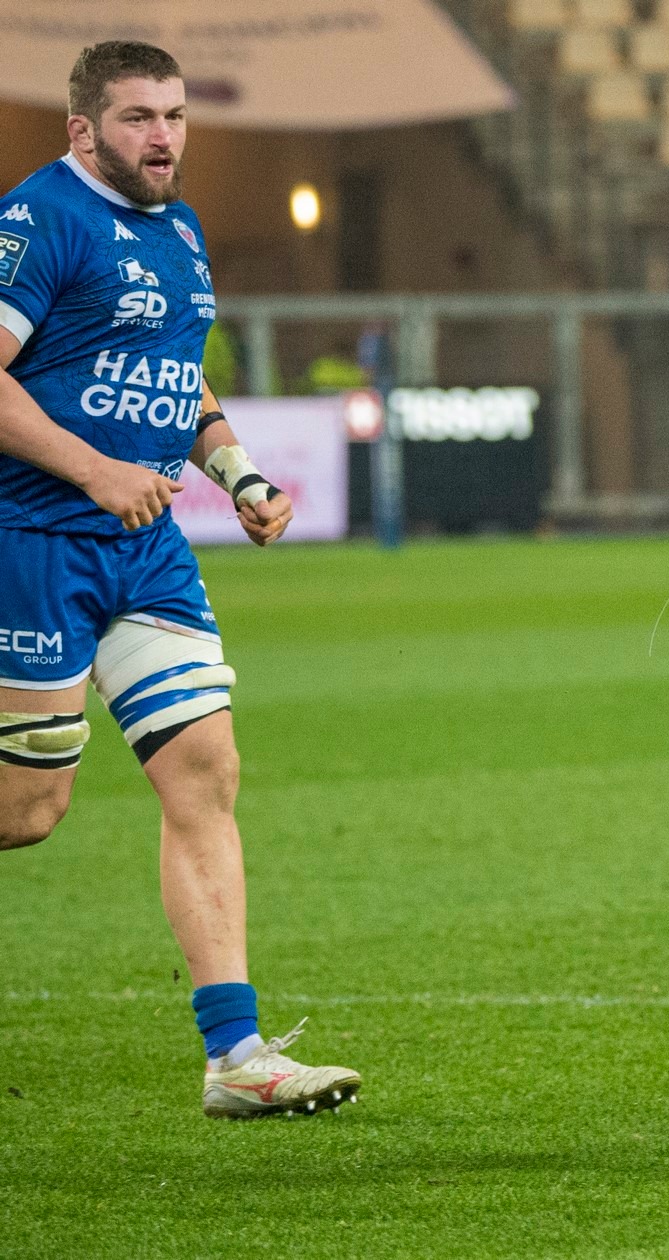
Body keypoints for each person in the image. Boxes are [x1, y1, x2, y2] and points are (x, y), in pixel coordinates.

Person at [0, 42, 359, 1118]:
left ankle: (236, 1054)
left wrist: (237, 472)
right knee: (27, 809)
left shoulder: (178, 228)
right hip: (34, 539)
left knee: (203, 768)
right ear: (82, 131)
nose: (163, 137)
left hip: (145, 544)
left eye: (174, 115)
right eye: (138, 119)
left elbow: (174, 373)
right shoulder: (39, 220)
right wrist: (97, 469)